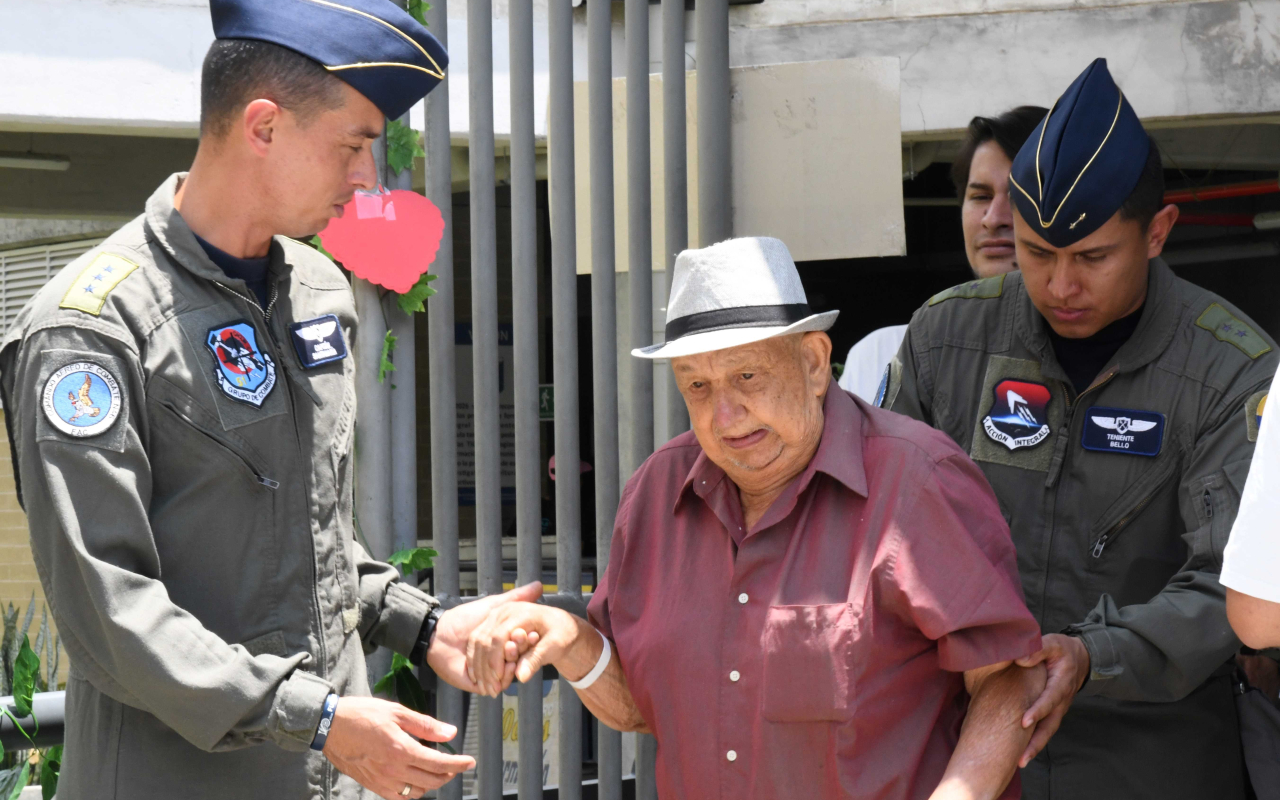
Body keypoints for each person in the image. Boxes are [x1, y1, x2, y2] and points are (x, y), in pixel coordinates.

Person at [0, 2, 531, 799]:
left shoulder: (318, 291)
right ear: (262, 125)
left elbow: (308, 535)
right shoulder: (93, 329)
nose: (366, 179)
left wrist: (422, 624)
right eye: (353, 146)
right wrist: (314, 717)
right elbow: (107, 612)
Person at [463, 236, 1049, 800]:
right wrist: (571, 640)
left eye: (747, 376)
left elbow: (1009, 677)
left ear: (815, 363)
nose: (726, 413)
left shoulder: (918, 482)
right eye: (697, 385)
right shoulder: (655, 495)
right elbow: (644, 708)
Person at [883, 58, 1278, 799]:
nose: (1061, 287)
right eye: (1037, 254)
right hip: (968, 754)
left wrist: (1091, 656)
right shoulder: (947, 338)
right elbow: (878, 530)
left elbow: (1231, 586)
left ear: (1159, 231)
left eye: (1092, 257)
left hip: (1150, 762)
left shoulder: (1234, 373)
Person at [839, 106, 1046, 401]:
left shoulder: (1104, 357)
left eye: (1021, 196)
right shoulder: (881, 354)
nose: (993, 217)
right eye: (981, 196)